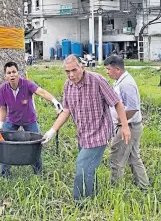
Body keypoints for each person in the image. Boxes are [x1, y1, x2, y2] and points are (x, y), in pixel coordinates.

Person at [42, 54, 131, 200]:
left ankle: (81, 203)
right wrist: (52, 130)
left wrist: (125, 126)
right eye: (67, 71)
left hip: (99, 133)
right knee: (89, 168)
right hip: (82, 134)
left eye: (74, 70)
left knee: (82, 167)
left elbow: (117, 103)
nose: (71, 75)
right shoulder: (68, 85)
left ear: (82, 67)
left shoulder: (97, 80)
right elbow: (66, 110)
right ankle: (92, 195)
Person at [0, 61, 63, 177]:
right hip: (12, 120)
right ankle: (5, 174)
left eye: (14, 72)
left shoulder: (27, 84)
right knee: (4, 144)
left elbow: (41, 92)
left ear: (18, 73)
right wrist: (0, 123)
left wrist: (54, 101)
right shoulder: (2, 89)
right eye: (9, 73)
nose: (12, 75)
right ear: (5, 76)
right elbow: (2, 108)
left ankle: (38, 173)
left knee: (36, 145)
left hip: (29, 120)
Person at [104, 55, 149, 189]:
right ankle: (143, 186)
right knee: (134, 157)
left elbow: (133, 108)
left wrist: (120, 122)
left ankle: (115, 189)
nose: (107, 72)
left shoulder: (126, 84)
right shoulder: (120, 81)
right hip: (131, 125)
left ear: (117, 69)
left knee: (116, 156)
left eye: (108, 69)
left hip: (129, 126)